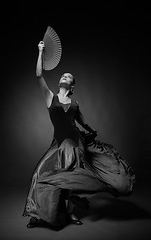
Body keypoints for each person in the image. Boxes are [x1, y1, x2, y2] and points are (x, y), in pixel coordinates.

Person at [22, 41, 135, 229]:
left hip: (75, 142)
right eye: (64, 75)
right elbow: (39, 74)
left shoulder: (75, 103)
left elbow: (82, 122)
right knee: (39, 173)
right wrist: (40, 51)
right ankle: (37, 214)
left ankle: (71, 210)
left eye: (69, 77)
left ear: (72, 85)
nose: (66, 76)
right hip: (57, 143)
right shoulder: (50, 97)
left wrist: (91, 131)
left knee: (71, 172)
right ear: (60, 81)